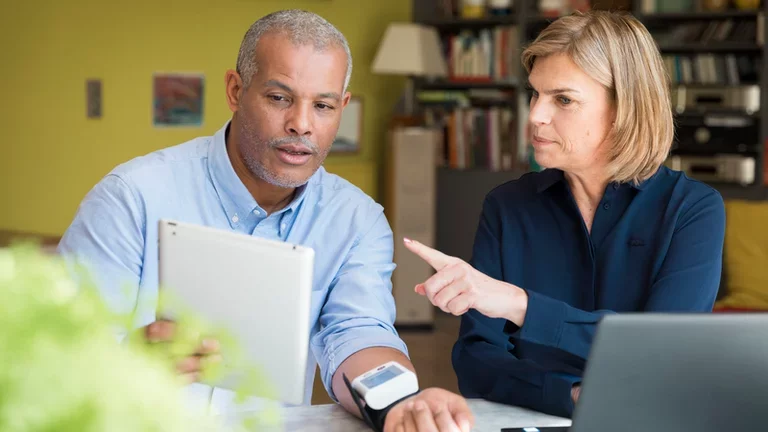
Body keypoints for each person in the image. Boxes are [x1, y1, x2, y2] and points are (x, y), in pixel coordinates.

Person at [57, 9, 472, 432]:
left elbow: (358, 332)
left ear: (342, 108)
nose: (302, 125)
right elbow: (57, 353)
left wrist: (398, 402)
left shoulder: (357, 221)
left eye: (323, 106)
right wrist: (125, 365)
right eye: (279, 98)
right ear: (236, 90)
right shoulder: (131, 197)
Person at [403, 10, 726, 418]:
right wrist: (572, 395)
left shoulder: (692, 209)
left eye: (563, 99)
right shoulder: (506, 205)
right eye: (535, 94)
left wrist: (518, 304)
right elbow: (475, 358)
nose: (536, 115)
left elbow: (663, 351)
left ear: (624, 107)